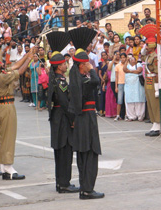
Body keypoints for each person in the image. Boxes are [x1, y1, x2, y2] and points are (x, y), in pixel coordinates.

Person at [67, 28, 104, 199]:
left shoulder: (75, 78)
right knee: (90, 153)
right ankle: (88, 189)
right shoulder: (84, 79)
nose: (89, 66)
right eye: (87, 64)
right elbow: (97, 81)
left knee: (83, 155)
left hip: (80, 119)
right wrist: (92, 68)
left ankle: (84, 187)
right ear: (82, 65)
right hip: (87, 118)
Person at [0, 49, 33, 179]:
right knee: (8, 137)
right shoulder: (1, 77)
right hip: (6, 106)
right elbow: (19, 71)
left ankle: (4, 166)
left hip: (2, 107)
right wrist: (29, 59)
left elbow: (15, 66)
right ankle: (8, 168)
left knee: (4, 137)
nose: (2, 63)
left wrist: (26, 56)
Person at [46, 31, 79, 193]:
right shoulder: (60, 82)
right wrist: (73, 119)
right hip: (62, 120)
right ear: (59, 66)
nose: (66, 65)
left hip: (56, 119)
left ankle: (61, 182)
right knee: (65, 152)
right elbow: (66, 104)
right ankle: (64, 183)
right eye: (65, 63)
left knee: (59, 154)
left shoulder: (54, 79)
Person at [139, 24, 161, 136]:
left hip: (153, 80)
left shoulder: (155, 57)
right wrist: (144, 49)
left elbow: (157, 72)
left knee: (155, 103)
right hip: (147, 80)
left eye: (147, 45)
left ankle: (158, 124)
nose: (145, 47)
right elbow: (141, 55)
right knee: (150, 103)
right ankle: (154, 123)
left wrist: (157, 87)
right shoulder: (148, 56)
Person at [123, 55, 146, 121]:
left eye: (133, 58)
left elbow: (139, 71)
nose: (132, 60)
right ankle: (131, 116)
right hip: (129, 86)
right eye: (130, 59)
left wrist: (129, 71)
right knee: (129, 100)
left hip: (137, 85)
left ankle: (140, 116)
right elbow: (124, 70)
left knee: (139, 100)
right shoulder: (127, 65)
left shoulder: (138, 64)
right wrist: (126, 61)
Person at [105, 51, 119, 118]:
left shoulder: (121, 62)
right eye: (116, 55)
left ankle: (119, 113)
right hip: (113, 80)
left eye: (119, 55)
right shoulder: (111, 62)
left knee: (118, 98)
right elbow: (109, 69)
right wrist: (113, 59)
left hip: (120, 80)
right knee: (115, 97)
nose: (118, 56)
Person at [114, 53, 127, 121]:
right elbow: (116, 77)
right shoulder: (117, 66)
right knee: (119, 100)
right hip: (120, 83)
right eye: (121, 57)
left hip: (127, 83)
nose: (122, 59)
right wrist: (116, 86)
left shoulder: (128, 65)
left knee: (126, 100)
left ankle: (126, 115)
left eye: (124, 57)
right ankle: (118, 115)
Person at [98, 51, 109, 117]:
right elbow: (99, 73)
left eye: (105, 55)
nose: (104, 56)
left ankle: (106, 110)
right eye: (102, 55)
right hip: (102, 82)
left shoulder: (109, 63)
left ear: (107, 55)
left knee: (107, 96)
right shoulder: (101, 64)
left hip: (108, 81)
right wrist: (102, 80)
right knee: (102, 96)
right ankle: (102, 110)